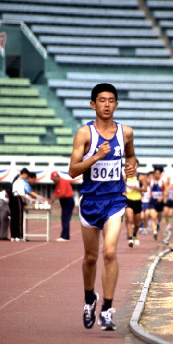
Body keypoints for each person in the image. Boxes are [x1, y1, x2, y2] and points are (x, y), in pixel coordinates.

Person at [69, 83, 136, 331]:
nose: (106, 104)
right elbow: (72, 171)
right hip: (90, 202)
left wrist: (132, 168)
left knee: (109, 253)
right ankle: (90, 299)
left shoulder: (126, 132)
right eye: (102, 100)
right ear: (92, 104)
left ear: (116, 104)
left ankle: (107, 309)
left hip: (115, 201)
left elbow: (131, 157)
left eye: (111, 100)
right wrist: (96, 157)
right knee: (90, 257)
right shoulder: (84, 134)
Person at [125, 158, 147, 247]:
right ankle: (130, 238)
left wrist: (136, 188)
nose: (133, 167)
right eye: (131, 165)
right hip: (128, 200)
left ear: (137, 166)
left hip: (137, 201)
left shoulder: (140, 177)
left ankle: (134, 234)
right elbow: (121, 187)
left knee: (137, 223)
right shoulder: (125, 177)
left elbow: (145, 189)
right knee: (129, 219)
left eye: (134, 165)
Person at [9, 168, 35, 241]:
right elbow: (21, 194)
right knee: (19, 217)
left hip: (13, 198)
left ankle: (13, 236)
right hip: (17, 198)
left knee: (13, 217)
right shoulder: (20, 181)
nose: (26, 177)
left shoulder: (15, 180)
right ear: (23, 173)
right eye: (26, 175)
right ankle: (19, 236)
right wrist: (30, 199)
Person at [49, 171, 74, 242]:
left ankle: (65, 236)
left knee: (65, 218)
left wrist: (53, 200)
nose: (53, 181)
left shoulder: (62, 182)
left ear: (57, 177)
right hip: (64, 201)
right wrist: (51, 200)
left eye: (53, 179)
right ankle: (65, 236)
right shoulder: (58, 183)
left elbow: (62, 194)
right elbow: (55, 193)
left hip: (68, 201)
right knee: (64, 218)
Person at [149, 166, 167, 240]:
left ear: (160, 175)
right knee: (153, 217)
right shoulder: (150, 181)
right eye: (156, 173)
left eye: (158, 174)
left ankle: (158, 223)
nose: (157, 175)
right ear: (154, 174)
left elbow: (166, 192)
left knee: (159, 216)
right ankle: (154, 232)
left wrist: (162, 197)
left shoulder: (162, 182)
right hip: (152, 201)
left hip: (160, 202)